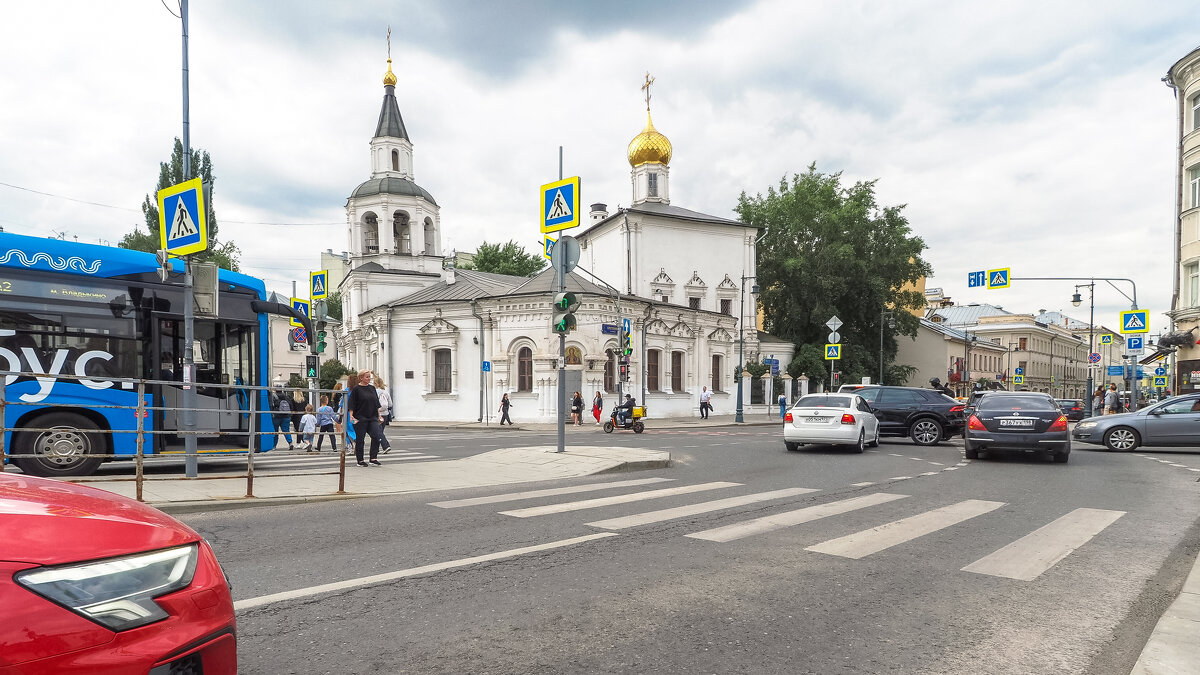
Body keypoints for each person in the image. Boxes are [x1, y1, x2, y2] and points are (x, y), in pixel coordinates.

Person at [347, 370, 385, 466]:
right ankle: (360, 460)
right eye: (367, 377)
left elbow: (376, 403)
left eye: (369, 377)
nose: (369, 379)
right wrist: (351, 415)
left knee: (376, 436)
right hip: (360, 417)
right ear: (361, 378)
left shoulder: (372, 388)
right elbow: (352, 404)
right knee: (360, 439)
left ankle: (373, 458)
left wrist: (379, 415)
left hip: (372, 416)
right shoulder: (356, 389)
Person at [373, 375, 393, 454]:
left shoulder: (376, 392)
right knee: (379, 431)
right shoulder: (386, 392)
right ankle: (376, 449)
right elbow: (390, 404)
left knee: (378, 431)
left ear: (375, 383)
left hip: (378, 414)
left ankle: (385, 446)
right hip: (385, 414)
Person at [271, 384, 294, 450]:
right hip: (286, 416)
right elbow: (291, 406)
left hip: (277, 416)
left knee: (275, 431)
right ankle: (290, 443)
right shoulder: (286, 397)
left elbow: (272, 406)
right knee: (286, 430)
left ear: (275, 390)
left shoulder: (273, 397)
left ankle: (274, 446)